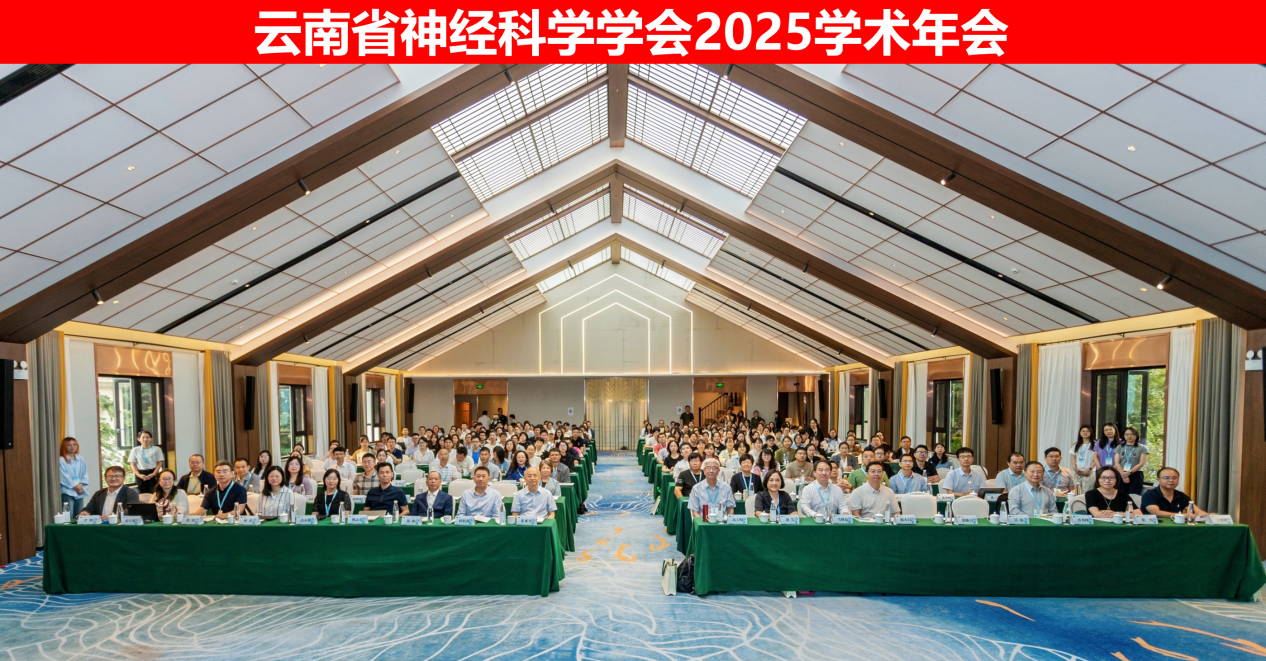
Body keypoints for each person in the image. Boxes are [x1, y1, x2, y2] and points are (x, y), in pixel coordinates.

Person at [1142, 467, 1207, 519]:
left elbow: (1197, 511)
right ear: (1159, 480)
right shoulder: (1149, 494)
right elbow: (1156, 512)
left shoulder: (1181, 495)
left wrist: (1208, 516)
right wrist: (1182, 515)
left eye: (1174, 478)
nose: (1171, 480)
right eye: (1166, 478)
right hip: (1153, 527)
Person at [58, 437, 89, 514]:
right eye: (69, 445)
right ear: (64, 446)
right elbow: (63, 476)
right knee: (68, 514)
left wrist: (81, 485)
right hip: (68, 491)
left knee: (79, 514)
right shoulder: (61, 460)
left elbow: (84, 473)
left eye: (74, 445)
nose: (72, 447)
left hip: (79, 491)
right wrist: (75, 487)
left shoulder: (80, 459)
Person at [1116, 427, 1149, 496]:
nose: (1129, 436)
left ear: (1136, 436)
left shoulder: (1143, 448)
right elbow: (1117, 462)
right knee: (1120, 496)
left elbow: (1141, 463)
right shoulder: (1119, 447)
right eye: (1127, 434)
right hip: (1121, 473)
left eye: (1132, 434)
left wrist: (1129, 472)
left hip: (1136, 474)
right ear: (1124, 436)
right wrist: (1123, 474)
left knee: (1134, 496)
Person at [1071, 425, 1100, 494]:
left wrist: (1089, 469)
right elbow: (1073, 457)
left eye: (1087, 431)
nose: (1085, 433)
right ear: (1080, 433)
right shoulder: (1076, 445)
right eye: (1083, 431)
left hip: (1090, 472)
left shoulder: (1095, 444)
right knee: (1077, 492)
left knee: (1088, 492)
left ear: (1091, 433)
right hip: (1078, 471)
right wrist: (1075, 468)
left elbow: (1096, 458)